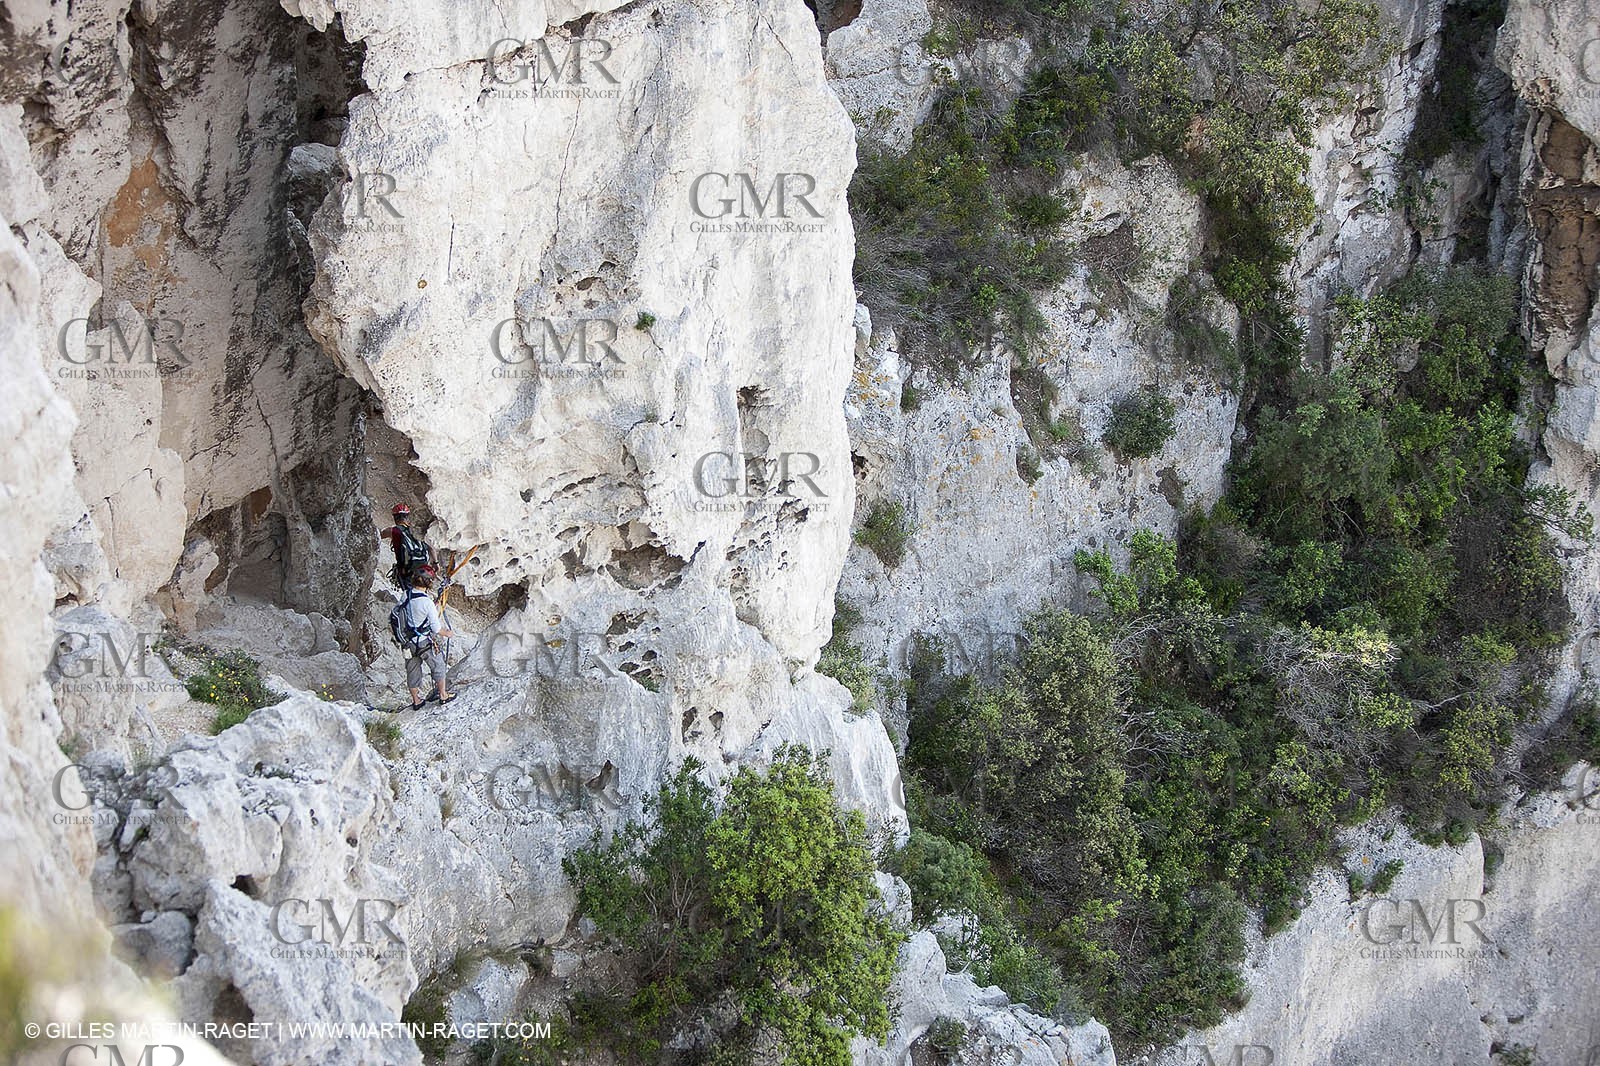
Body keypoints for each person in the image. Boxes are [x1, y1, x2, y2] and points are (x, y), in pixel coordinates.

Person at [399, 565, 456, 711]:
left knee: (412, 670)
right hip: (424, 642)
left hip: (408, 642)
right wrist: (447, 633)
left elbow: (405, 614)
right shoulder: (427, 603)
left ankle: (416, 701)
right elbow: (436, 629)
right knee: (438, 665)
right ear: (429, 582)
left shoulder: (405, 595)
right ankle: (443, 695)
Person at [382, 503, 433, 590]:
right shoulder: (418, 530)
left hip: (406, 571)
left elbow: (376, 536)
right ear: (407, 516)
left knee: (409, 594)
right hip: (424, 570)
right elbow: (431, 546)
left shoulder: (393, 531)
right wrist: (435, 563)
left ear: (395, 517)